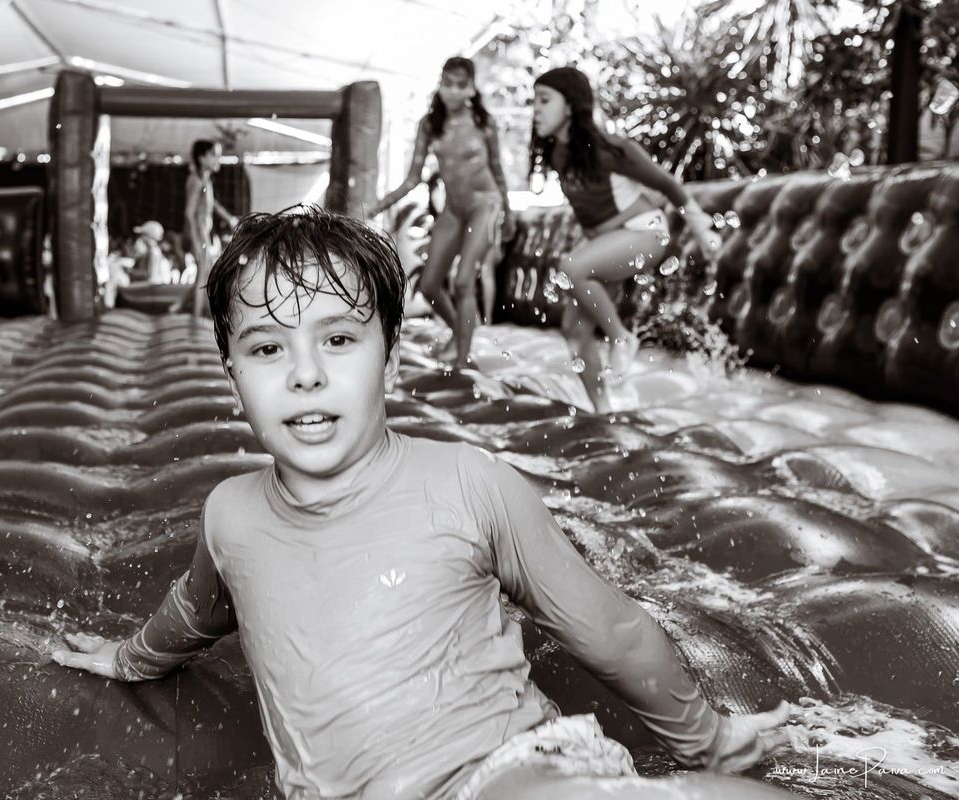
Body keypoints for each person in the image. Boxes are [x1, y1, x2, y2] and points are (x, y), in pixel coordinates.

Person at [51, 207, 791, 800]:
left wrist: (709, 739)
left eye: (338, 338)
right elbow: (195, 611)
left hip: (507, 772)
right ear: (230, 372)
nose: (305, 374)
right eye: (267, 349)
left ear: (393, 358)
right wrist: (129, 659)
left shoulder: (469, 484)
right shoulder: (230, 515)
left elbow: (615, 631)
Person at [530, 66, 722, 413]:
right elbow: (592, 216)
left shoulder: (610, 149)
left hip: (646, 232)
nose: (536, 110)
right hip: (613, 242)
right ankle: (604, 409)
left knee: (570, 267)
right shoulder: (559, 155)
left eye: (544, 100)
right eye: (534, 102)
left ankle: (622, 336)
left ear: (571, 106)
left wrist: (701, 228)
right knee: (573, 331)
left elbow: (668, 186)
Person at [370, 56, 513, 368]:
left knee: (464, 282)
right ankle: (460, 333)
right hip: (454, 209)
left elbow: (498, 172)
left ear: (472, 89)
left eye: (461, 85)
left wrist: (509, 214)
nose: (453, 92)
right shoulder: (430, 125)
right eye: (447, 83)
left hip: (485, 205)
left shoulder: (483, 124)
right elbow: (412, 179)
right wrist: (380, 204)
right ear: (441, 85)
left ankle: (463, 360)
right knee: (430, 284)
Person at [173, 139, 239, 318]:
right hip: (198, 234)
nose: (218, 159)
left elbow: (213, 204)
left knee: (204, 274)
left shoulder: (205, 181)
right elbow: (189, 213)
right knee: (204, 275)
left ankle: (177, 307)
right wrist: (196, 239)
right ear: (202, 158)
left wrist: (229, 218)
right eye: (214, 155)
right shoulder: (195, 181)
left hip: (203, 234)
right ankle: (196, 316)